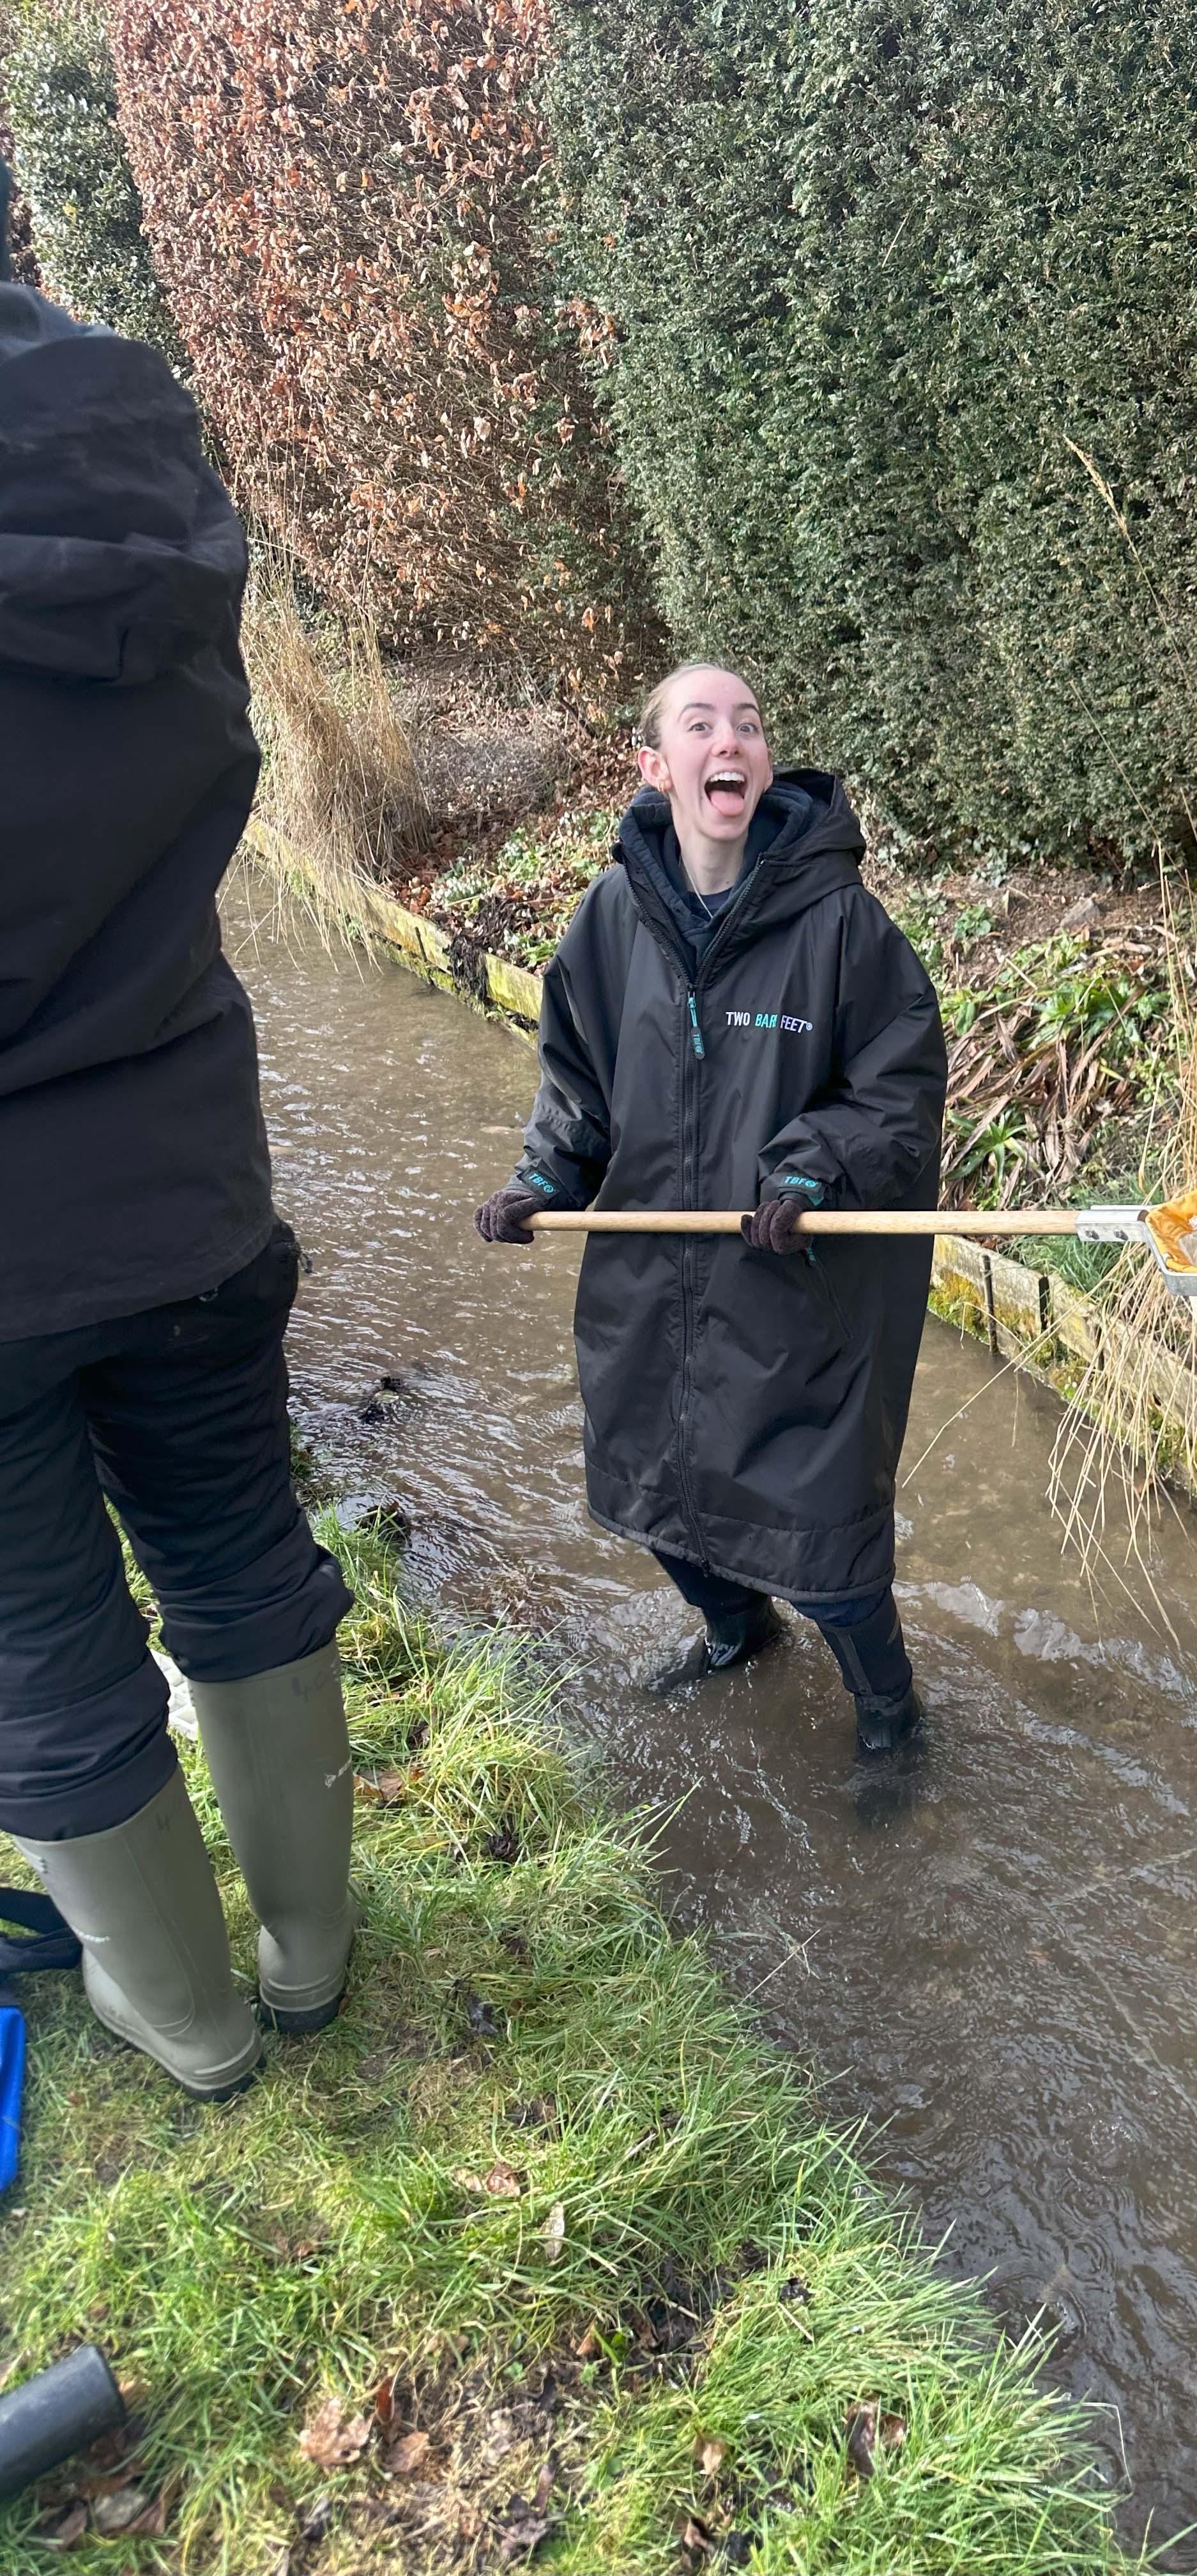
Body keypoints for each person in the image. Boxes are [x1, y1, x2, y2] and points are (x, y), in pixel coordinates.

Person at [0, 175, 356, 2101]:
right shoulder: (129, 434)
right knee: (235, 1539)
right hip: (188, 1166)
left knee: (37, 1638)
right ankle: (309, 1956)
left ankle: (191, 2021)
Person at [476, 663, 947, 1754]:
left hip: (795, 1299)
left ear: (762, 765)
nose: (729, 739)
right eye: (701, 724)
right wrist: (544, 1178)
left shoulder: (842, 925)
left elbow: (898, 1085)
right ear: (657, 766)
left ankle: (890, 1713)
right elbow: (577, 1084)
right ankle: (739, 1634)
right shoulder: (609, 920)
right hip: (650, 1292)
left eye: (748, 723)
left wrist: (811, 1166)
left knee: (825, 1545)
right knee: (661, 1499)